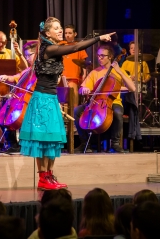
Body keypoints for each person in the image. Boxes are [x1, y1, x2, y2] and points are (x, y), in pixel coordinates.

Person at [18, 17, 114, 190]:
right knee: (43, 140)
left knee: (53, 138)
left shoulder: (52, 47)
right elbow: (76, 47)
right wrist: (98, 38)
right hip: (42, 99)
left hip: (51, 98)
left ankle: (49, 175)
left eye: (60, 27)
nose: (60, 30)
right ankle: (43, 178)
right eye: (56, 28)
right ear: (47, 33)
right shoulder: (49, 48)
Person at [74, 45, 136, 154]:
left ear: (110, 57)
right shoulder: (95, 72)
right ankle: (85, 143)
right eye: (98, 56)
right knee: (77, 111)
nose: (100, 58)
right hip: (95, 102)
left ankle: (115, 144)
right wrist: (84, 89)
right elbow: (82, 88)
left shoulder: (118, 71)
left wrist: (120, 71)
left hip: (113, 102)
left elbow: (132, 88)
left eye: (103, 56)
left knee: (117, 113)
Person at [0, 40, 38, 153]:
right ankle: (13, 143)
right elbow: (16, 77)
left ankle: (23, 142)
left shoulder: (40, 70)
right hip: (23, 101)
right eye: (26, 55)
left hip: (35, 102)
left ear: (37, 54)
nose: (27, 58)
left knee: (10, 113)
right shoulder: (28, 70)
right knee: (0, 113)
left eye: (29, 55)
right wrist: (6, 77)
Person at [61, 24, 88, 105]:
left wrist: (84, 76)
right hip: (61, 78)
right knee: (62, 102)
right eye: (66, 33)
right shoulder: (61, 45)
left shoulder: (79, 46)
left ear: (75, 34)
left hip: (73, 78)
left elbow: (84, 64)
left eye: (70, 33)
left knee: (73, 103)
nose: (67, 35)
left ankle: (74, 115)